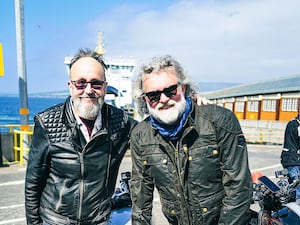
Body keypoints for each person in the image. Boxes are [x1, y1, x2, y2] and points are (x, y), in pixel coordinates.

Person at [130, 55, 253, 225]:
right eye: (153, 95)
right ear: (145, 100)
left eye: (171, 90)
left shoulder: (219, 121)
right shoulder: (140, 135)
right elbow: (140, 196)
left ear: (183, 88)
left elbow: (239, 188)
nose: (164, 99)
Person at [25, 48, 137, 225]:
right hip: (56, 221)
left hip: (99, 220)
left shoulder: (120, 122)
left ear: (105, 87)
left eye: (96, 83)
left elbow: (152, 131)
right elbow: (33, 183)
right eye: (81, 83)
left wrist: (192, 107)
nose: (89, 90)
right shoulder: (47, 123)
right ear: (70, 87)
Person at [280, 115, 300, 204]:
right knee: (296, 191)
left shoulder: (293, 122)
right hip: (293, 160)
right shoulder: (296, 125)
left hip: (291, 159)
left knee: (294, 189)